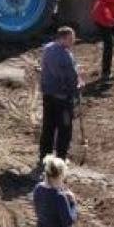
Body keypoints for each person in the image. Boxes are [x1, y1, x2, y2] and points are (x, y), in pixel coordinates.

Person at [39, 27, 82, 167]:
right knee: (64, 129)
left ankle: (44, 157)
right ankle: (61, 159)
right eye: (71, 38)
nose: (73, 41)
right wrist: (77, 87)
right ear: (62, 38)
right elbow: (69, 77)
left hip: (48, 95)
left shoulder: (48, 48)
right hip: (62, 98)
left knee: (48, 127)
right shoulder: (64, 55)